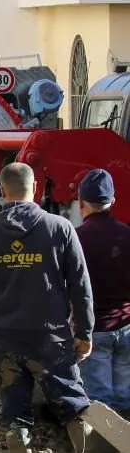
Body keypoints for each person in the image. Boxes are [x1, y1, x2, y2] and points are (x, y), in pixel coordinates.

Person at [0, 162, 95, 453]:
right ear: (35, 188)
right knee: (74, 405)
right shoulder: (59, 228)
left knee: (15, 410)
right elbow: (80, 285)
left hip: (7, 337)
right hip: (50, 337)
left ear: (2, 190)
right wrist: (84, 331)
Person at [75, 169, 130, 411]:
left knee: (100, 404)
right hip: (126, 327)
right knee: (126, 399)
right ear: (113, 201)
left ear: (80, 202)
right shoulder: (126, 236)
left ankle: (103, 447)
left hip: (93, 332)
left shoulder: (76, 239)